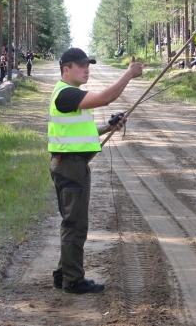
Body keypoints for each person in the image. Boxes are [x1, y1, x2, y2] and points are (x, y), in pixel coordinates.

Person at [49, 48, 142, 295]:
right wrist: (128, 74)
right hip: (70, 167)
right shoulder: (66, 94)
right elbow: (104, 99)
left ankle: (63, 274)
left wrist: (107, 126)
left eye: (88, 64)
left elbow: (79, 133)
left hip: (72, 165)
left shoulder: (71, 94)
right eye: (80, 65)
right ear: (65, 69)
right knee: (75, 224)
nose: (86, 69)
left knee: (74, 222)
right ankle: (73, 281)